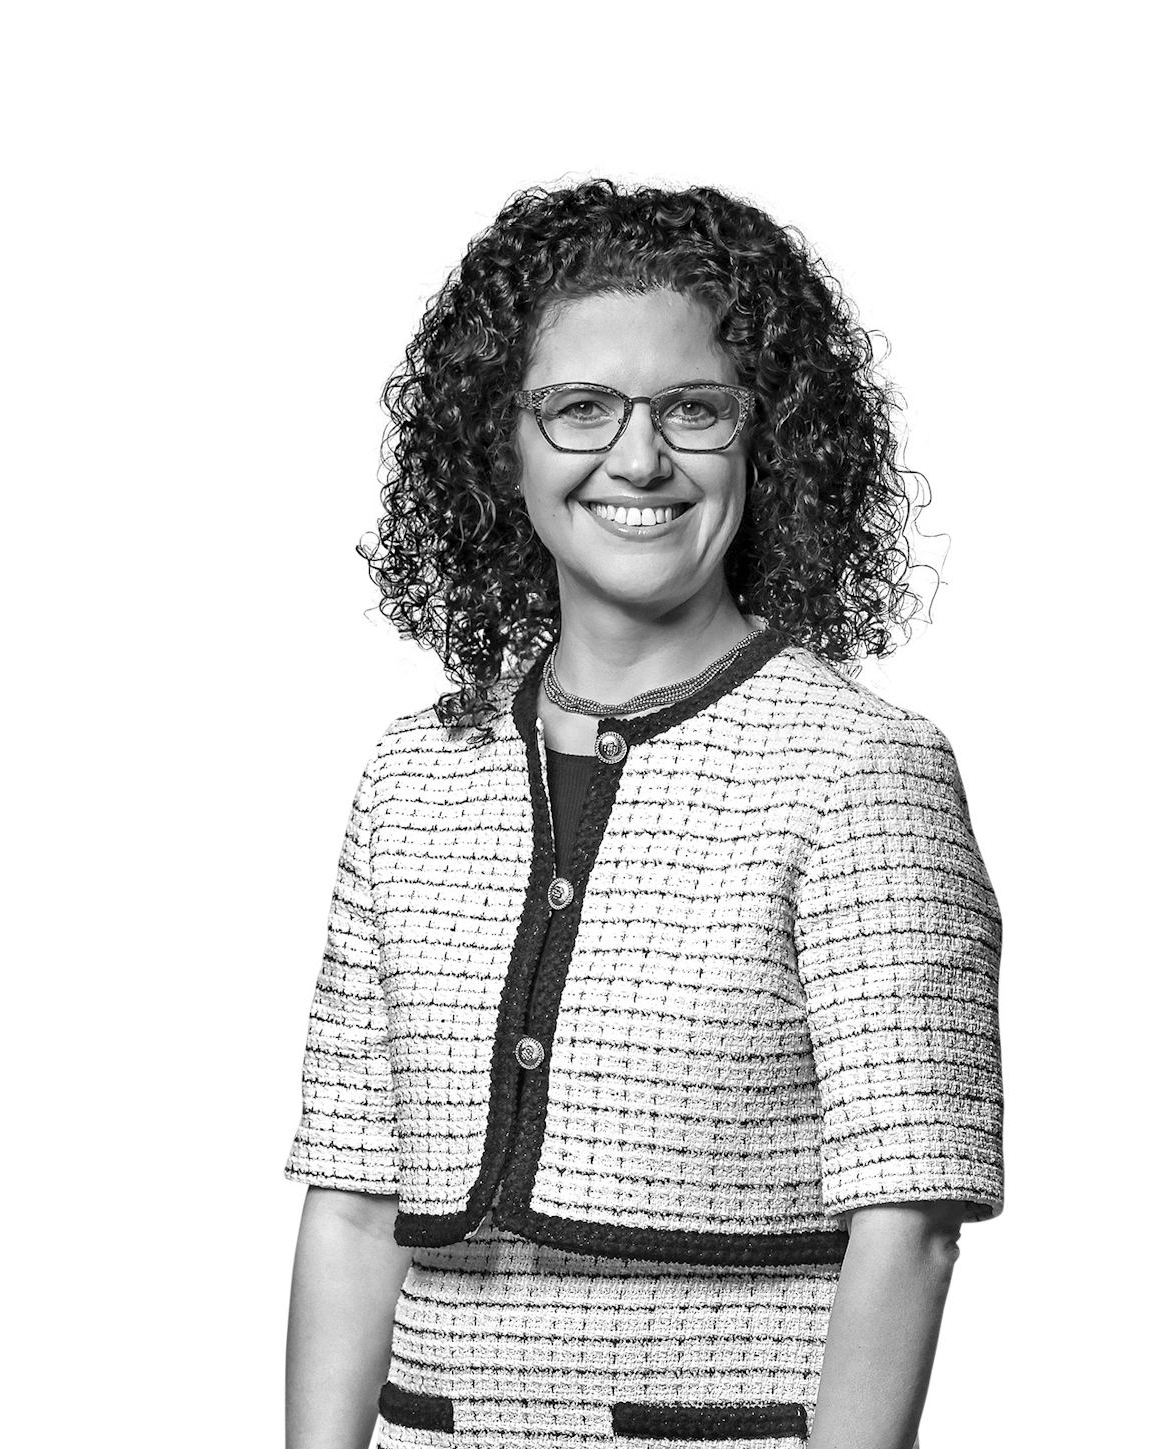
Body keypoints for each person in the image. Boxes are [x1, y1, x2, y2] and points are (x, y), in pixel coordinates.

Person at [284, 180, 1002, 1449]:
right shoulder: (410, 777)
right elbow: (349, 1205)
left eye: (693, 409)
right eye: (579, 408)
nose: (637, 459)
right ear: (498, 447)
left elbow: (910, 1225)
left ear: (767, 440)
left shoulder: (860, 768)